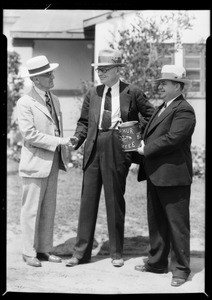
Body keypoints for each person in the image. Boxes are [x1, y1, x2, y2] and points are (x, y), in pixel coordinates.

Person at [65, 49, 155, 268]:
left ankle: (116, 252)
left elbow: (151, 116)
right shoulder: (92, 93)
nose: (100, 74)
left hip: (118, 147)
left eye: (105, 70)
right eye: (99, 70)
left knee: (114, 201)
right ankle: (81, 253)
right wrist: (76, 139)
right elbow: (84, 122)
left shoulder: (132, 92)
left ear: (117, 70)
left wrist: (133, 131)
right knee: (87, 202)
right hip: (93, 148)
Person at [135, 65, 196, 287]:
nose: (160, 86)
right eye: (160, 83)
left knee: (177, 224)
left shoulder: (184, 109)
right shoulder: (163, 107)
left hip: (174, 177)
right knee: (157, 222)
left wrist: (146, 149)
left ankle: (180, 269)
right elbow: (154, 132)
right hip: (155, 175)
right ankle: (157, 263)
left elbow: (173, 138)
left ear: (178, 86)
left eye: (165, 83)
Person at [17, 55, 73, 267]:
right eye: (47, 74)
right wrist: (60, 141)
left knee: (49, 209)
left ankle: (44, 249)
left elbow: (55, 128)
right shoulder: (25, 102)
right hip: (34, 163)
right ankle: (28, 251)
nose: (52, 76)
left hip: (53, 163)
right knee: (31, 209)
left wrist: (65, 145)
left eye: (51, 72)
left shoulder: (55, 99)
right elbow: (29, 134)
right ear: (36, 79)